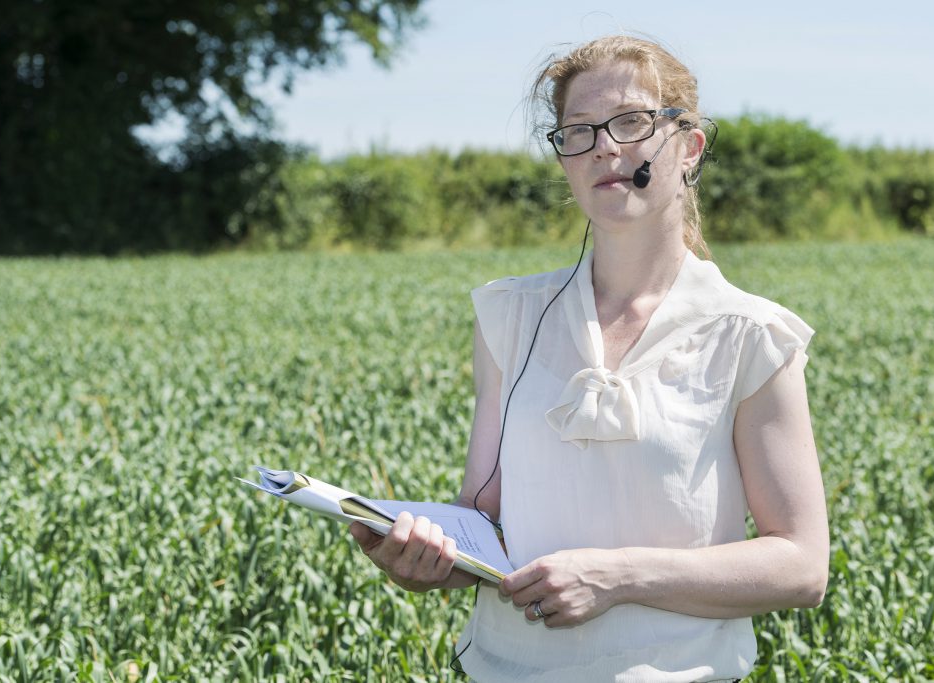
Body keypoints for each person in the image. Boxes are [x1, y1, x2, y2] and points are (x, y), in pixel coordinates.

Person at [349, 34, 829, 682]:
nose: (604, 146)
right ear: (565, 160)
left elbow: (801, 565)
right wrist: (426, 558)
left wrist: (617, 576)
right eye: (578, 131)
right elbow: (485, 522)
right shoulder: (509, 317)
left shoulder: (750, 335)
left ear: (689, 148)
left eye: (631, 122)